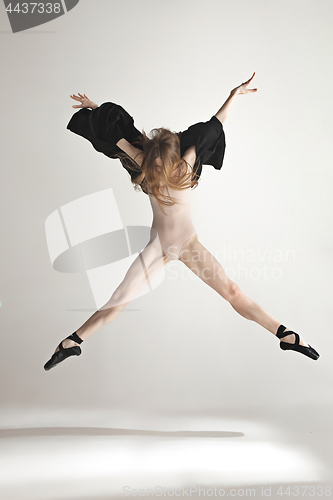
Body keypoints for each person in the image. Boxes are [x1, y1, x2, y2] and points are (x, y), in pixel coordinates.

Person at [44, 72, 319, 371]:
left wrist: (234, 95)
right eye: (155, 164)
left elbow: (214, 125)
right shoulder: (143, 161)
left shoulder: (187, 161)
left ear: (176, 158)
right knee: (119, 298)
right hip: (158, 246)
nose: (160, 170)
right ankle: (71, 342)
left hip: (187, 244)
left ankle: (285, 334)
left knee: (233, 291)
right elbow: (114, 132)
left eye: (164, 164)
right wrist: (94, 107)